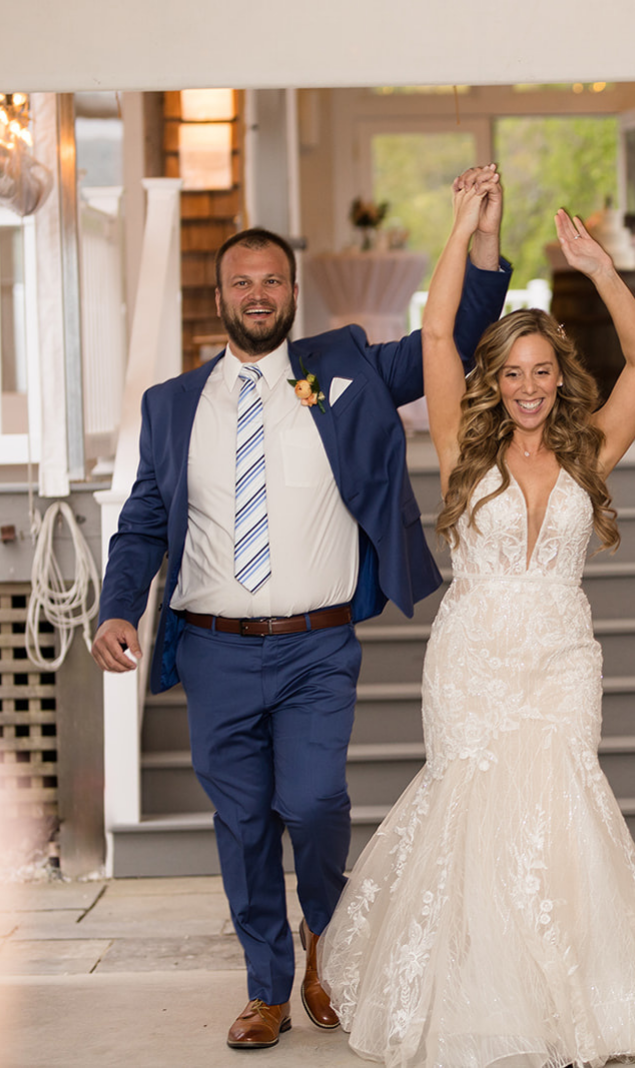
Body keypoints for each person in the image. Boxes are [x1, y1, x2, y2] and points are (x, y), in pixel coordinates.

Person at [90, 165, 512, 1050]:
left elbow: (456, 333)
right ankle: (267, 988)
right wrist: (117, 607)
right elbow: (143, 522)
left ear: (293, 291)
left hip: (318, 648)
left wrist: (480, 237)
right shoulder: (171, 407)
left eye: (271, 280)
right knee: (243, 823)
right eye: (241, 282)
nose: (257, 294)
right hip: (212, 649)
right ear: (219, 298)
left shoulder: (346, 368)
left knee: (315, 803)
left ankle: (329, 942)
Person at [318, 180, 635, 1068]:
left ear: (560, 376)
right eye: (512, 373)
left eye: (543, 371)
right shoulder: (462, 451)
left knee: (562, 810)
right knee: (473, 811)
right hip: (473, 658)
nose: (529, 387)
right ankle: (479, 996)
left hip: (560, 657)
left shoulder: (591, 449)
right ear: (495, 383)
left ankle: (578, 993)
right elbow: (436, 336)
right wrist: (464, 231)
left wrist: (600, 268)